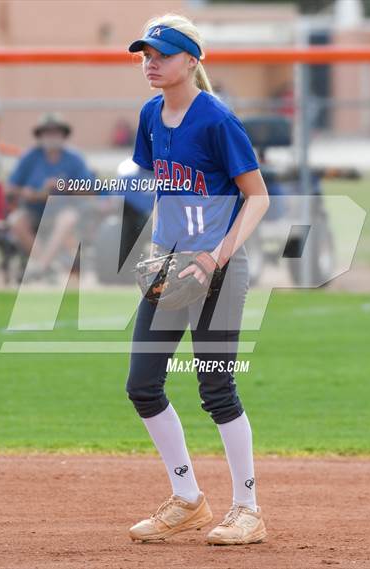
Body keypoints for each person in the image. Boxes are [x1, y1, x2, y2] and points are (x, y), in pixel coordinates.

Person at [125, 14, 270, 546]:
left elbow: (258, 197)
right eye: (145, 54)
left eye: (161, 53)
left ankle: (248, 509)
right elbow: (167, 189)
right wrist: (159, 247)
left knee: (216, 388)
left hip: (220, 270)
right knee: (142, 385)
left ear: (191, 60)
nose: (151, 62)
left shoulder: (216, 120)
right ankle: (187, 500)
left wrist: (214, 256)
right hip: (171, 269)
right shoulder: (150, 115)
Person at [6, 113, 93, 280]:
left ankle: (41, 267)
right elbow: (10, 188)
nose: (52, 136)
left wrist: (63, 186)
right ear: (40, 136)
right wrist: (28, 192)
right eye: (47, 132)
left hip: (64, 208)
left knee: (67, 219)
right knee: (15, 220)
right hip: (34, 209)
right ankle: (46, 265)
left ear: (63, 135)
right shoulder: (30, 157)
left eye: (56, 132)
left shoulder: (74, 159)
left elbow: (89, 190)